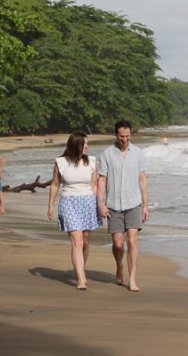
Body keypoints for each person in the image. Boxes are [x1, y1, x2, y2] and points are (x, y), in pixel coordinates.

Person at [97, 120, 148, 292]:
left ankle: (132, 278)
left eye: (127, 136)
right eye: (121, 136)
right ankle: (119, 266)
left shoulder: (138, 153)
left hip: (134, 203)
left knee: (132, 240)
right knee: (118, 244)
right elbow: (102, 180)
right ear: (116, 135)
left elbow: (142, 180)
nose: (125, 139)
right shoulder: (107, 154)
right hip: (113, 205)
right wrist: (101, 204)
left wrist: (146, 206)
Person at [47, 132, 101, 290]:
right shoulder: (60, 162)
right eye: (84, 144)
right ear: (75, 145)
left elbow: (94, 185)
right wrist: (50, 205)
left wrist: (99, 204)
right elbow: (55, 184)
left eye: (87, 144)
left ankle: (81, 268)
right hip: (69, 202)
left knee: (85, 241)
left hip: (88, 202)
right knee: (76, 242)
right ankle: (81, 279)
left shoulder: (91, 162)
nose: (87, 146)